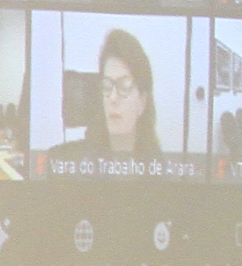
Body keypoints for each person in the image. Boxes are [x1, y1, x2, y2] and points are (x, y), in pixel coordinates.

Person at [42, 27, 164, 164]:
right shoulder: (63, 161)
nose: (112, 98)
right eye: (107, 86)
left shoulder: (157, 167)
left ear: (142, 102)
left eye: (124, 86)